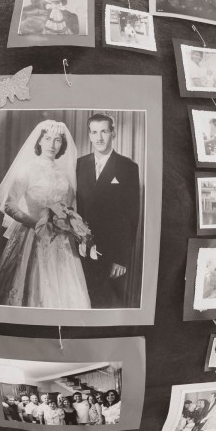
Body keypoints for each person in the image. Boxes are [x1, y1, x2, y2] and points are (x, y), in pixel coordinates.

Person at [0, 119, 91, 309]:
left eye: (57, 140)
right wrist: (36, 223)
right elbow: (10, 205)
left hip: (61, 239)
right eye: (47, 139)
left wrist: (72, 222)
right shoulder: (27, 169)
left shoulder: (65, 174)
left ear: (62, 145)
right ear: (39, 141)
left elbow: (68, 207)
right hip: (33, 234)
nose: (52, 145)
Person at [77, 113, 140, 309]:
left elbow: (131, 217)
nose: (99, 138)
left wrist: (121, 259)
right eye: (94, 132)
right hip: (81, 251)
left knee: (107, 306)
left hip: (112, 254)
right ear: (89, 135)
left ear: (113, 133)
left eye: (104, 131)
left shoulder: (128, 167)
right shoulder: (79, 165)